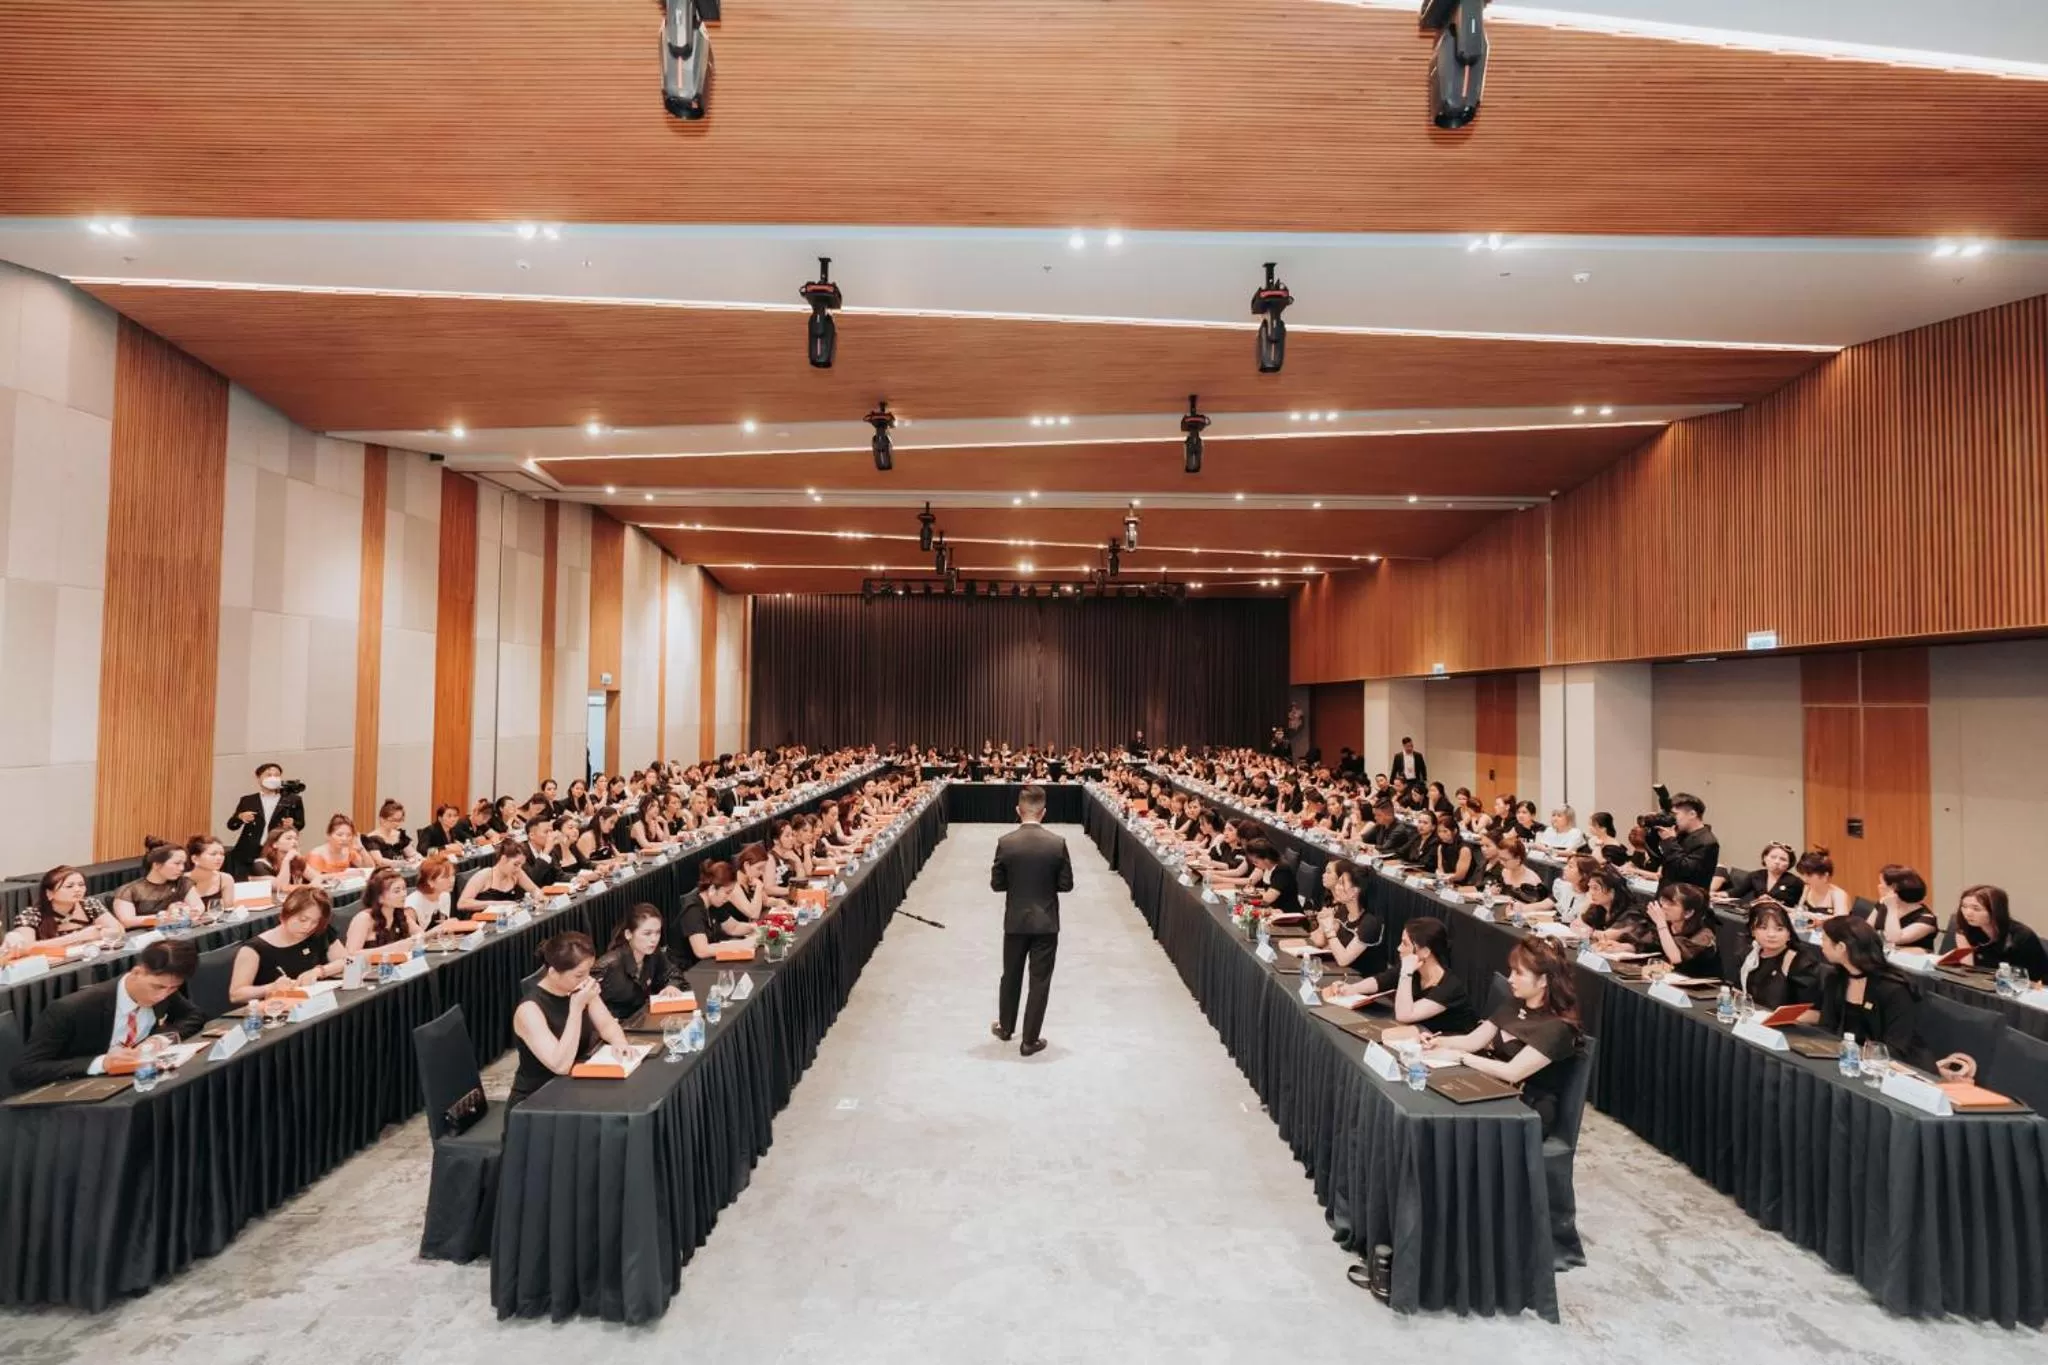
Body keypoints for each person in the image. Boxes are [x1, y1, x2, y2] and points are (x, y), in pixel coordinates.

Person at [1430, 939, 1583, 1138]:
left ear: (1543, 981)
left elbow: (1513, 1072)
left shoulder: (1557, 1027)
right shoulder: (1515, 1003)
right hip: (1495, 1089)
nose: (1510, 979)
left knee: (1450, 1124)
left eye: (1519, 973)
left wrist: (1460, 1057)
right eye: (1511, 971)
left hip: (1526, 1109)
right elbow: (1473, 1041)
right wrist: (1438, 1042)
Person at [10, 939, 205, 1088]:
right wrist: (102, 1063)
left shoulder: (165, 990)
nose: (162, 995)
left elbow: (194, 1016)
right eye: (158, 987)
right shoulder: (71, 1009)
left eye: (172, 989)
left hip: (135, 1082)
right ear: (137, 972)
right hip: (81, 1092)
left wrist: (160, 1039)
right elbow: (24, 1071)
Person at [990, 785, 1073, 1057]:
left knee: (1010, 975)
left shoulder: (1006, 842)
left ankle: (1005, 1028)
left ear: (1018, 810)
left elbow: (997, 884)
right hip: (1046, 922)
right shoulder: (1057, 843)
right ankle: (1029, 1040)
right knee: (1040, 981)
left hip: (1015, 921)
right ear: (1043, 812)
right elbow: (1066, 884)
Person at [508, 932, 634, 1108]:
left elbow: (607, 1025)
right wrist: (575, 1010)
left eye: (589, 972)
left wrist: (619, 1042)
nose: (587, 980)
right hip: (538, 1099)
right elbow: (560, 1065)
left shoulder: (581, 988)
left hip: (576, 1085)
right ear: (553, 973)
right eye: (579, 975)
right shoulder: (529, 1010)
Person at [1327, 917, 1477, 1034]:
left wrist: (1406, 973)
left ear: (1425, 951)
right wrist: (1352, 988)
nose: (1399, 948)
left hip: (1450, 1047)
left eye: (1405, 944)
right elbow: (1381, 980)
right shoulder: (1413, 968)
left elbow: (1404, 1015)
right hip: (1417, 1036)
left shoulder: (1449, 987)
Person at [1800, 916, 1923, 1055]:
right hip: (1845, 1054)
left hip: (1887, 1060)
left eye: (1824, 940)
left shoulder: (1893, 989)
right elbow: (1828, 1025)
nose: (1821, 945)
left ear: (1841, 947)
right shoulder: (1835, 979)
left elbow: (1897, 1044)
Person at [229, 887, 348, 1003]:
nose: (308, 927)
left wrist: (319, 972)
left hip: (319, 1003)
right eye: (303, 919)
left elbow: (347, 961)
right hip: (277, 1008)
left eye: (315, 921)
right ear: (286, 914)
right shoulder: (254, 949)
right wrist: (271, 988)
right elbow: (236, 995)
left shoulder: (319, 932)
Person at [595, 903, 684, 1021]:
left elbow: (673, 973)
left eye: (657, 932)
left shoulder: (654, 954)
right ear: (628, 934)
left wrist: (671, 986)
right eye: (647, 933)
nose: (654, 939)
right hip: (615, 1025)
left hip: (642, 1019)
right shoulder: (608, 965)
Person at [1942, 884, 2048, 980]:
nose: (1967, 913)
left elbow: (2032, 978)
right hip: (1986, 984)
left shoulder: (2021, 936)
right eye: (1964, 906)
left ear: (1995, 911)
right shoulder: (1965, 929)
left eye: (1976, 909)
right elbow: (1969, 970)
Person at [6, 865, 122, 950]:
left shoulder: (89, 904)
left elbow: (118, 930)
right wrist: (78, 937)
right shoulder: (31, 914)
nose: (77, 889)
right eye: (69, 886)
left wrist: (101, 933)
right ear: (49, 893)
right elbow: (25, 947)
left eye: (81, 885)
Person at [223, 761, 306, 879]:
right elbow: (232, 825)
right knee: (245, 882)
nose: (273, 778)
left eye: (276, 775)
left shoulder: (292, 799)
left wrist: (292, 823)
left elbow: (300, 823)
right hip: (248, 849)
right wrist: (240, 817)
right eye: (268, 775)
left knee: (272, 882)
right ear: (258, 778)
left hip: (274, 849)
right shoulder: (248, 800)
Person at [1738, 901, 1822, 1010]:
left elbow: (1813, 1012)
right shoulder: (1749, 956)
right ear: (1752, 931)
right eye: (1763, 928)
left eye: (1779, 929)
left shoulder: (1800, 963)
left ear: (1789, 934)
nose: (1771, 934)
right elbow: (1737, 993)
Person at [672, 862, 755, 970]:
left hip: (703, 964)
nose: (729, 898)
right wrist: (740, 945)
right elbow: (701, 950)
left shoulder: (714, 903)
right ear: (712, 889)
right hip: (686, 969)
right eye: (727, 892)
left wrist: (757, 928)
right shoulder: (692, 910)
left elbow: (734, 928)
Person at [1307, 860, 1382, 974]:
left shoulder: (1370, 923)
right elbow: (1324, 944)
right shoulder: (1343, 910)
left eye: (1341, 884)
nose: (1337, 887)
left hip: (1358, 978)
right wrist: (1323, 925)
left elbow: (1343, 960)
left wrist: (1329, 930)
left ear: (1354, 892)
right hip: (1338, 972)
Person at [111, 841, 204, 928]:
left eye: (183, 863)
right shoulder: (128, 890)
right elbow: (128, 922)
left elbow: (198, 907)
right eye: (177, 863)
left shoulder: (182, 883)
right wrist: (164, 917)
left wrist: (187, 912)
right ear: (156, 865)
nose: (182, 868)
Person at [1644, 883, 1719, 975]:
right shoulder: (1667, 925)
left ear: (1688, 913)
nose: (1664, 906)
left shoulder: (1704, 935)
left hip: (1696, 980)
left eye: (1671, 904)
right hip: (1665, 976)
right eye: (1664, 900)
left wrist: (1661, 924)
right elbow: (1643, 945)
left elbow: (1676, 958)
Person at [1652, 793, 1719, 892]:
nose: (1672, 819)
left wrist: (1670, 841)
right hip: (1667, 893)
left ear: (1692, 814)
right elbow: (1658, 858)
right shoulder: (1680, 835)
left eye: (1675, 815)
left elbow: (1684, 871)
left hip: (1686, 898)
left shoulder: (1707, 842)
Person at [346, 868, 421, 952]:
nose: (403, 894)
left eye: (404, 889)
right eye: (397, 891)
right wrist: (395, 947)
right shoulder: (363, 919)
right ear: (379, 897)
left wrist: (431, 933)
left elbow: (421, 936)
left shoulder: (399, 913)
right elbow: (352, 955)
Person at [1865, 864, 1938, 950]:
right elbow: (1866, 931)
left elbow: (1894, 939)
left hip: (1908, 957)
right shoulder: (1884, 904)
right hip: (1881, 955)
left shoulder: (1926, 919)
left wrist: (1892, 908)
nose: (1879, 887)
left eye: (1882, 883)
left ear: (1894, 887)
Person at [459, 843, 541, 913]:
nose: (518, 868)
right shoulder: (484, 875)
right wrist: (498, 904)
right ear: (503, 859)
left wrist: (538, 897)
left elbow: (534, 889)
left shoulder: (517, 872)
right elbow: (462, 904)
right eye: (516, 864)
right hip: (482, 921)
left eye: (521, 865)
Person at [1725, 842, 1800, 907]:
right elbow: (1736, 892)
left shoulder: (1795, 882)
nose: (1777, 862)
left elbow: (1801, 908)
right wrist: (1719, 894)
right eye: (1773, 857)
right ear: (1765, 858)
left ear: (1789, 864)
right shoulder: (1755, 875)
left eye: (1783, 859)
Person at [304, 814, 371, 882]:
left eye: (349, 835)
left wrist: (361, 848)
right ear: (328, 835)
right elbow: (317, 880)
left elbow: (369, 867)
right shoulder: (317, 854)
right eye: (339, 835)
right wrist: (347, 875)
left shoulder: (348, 851)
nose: (344, 839)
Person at [1793, 848, 1852, 919]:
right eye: (1803, 874)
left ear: (1825, 876)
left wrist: (1810, 915)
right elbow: (1799, 911)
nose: (1804, 879)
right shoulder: (1808, 888)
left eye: (1809, 875)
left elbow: (1841, 920)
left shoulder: (1838, 895)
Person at [1243, 840, 1299, 911]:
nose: (1254, 864)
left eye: (1256, 862)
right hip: (1273, 909)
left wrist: (1250, 896)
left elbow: (1268, 898)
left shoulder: (1282, 870)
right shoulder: (1266, 867)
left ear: (1266, 859)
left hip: (1287, 913)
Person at [1418, 815, 1474, 886]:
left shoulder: (1464, 849)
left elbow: (1460, 876)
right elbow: (1440, 869)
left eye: (1445, 831)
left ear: (1455, 831)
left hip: (1461, 885)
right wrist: (1440, 875)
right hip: (1445, 881)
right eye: (1439, 831)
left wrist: (1445, 877)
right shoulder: (1441, 847)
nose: (1441, 835)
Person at [406, 855, 457, 931]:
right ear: (430, 882)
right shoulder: (412, 905)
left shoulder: (444, 894)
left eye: (452, 875)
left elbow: (443, 928)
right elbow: (415, 937)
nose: (452, 880)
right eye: (445, 877)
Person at [360, 800, 415, 867]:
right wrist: (403, 863)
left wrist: (419, 859)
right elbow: (380, 861)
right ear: (382, 819)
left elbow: (412, 854)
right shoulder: (371, 838)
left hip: (402, 869)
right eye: (394, 820)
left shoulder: (400, 835)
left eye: (400, 820)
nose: (397, 824)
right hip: (383, 871)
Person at [185, 835, 232, 914]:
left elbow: (227, 911)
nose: (219, 858)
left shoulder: (225, 879)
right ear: (195, 859)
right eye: (213, 854)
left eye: (222, 854)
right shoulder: (182, 880)